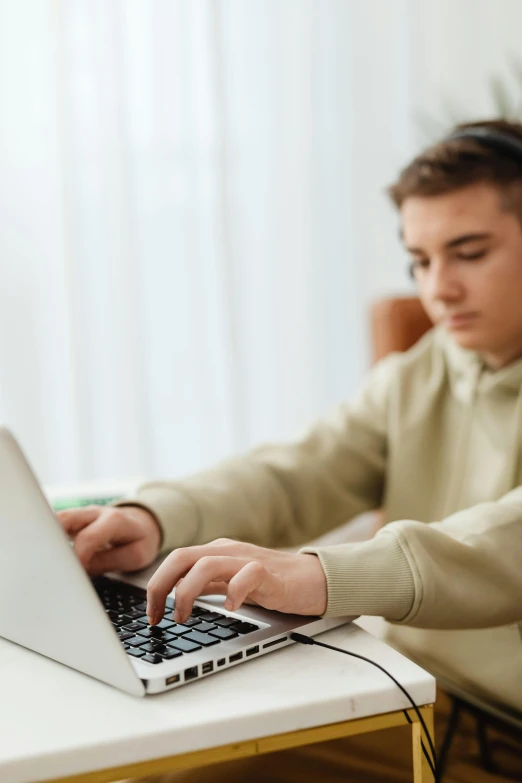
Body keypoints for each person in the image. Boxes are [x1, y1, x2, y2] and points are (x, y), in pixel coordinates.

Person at [58, 119, 522, 782]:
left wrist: (320, 576)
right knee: (150, 761)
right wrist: (154, 517)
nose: (438, 287)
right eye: (420, 260)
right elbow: (300, 471)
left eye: (469, 252)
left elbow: (503, 547)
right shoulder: (427, 368)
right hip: (405, 691)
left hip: (495, 733)